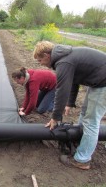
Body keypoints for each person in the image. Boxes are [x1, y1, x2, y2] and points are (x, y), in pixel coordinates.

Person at [33, 41, 106, 170]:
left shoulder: (64, 62)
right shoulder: (65, 57)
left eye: (40, 60)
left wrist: (55, 117)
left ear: (46, 55)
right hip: (98, 81)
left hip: (103, 82)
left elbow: (61, 91)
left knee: (91, 121)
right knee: (84, 113)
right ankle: (80, 140)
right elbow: (73, 81)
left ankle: (82, 160)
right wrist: (69, 103)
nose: (41, 64)